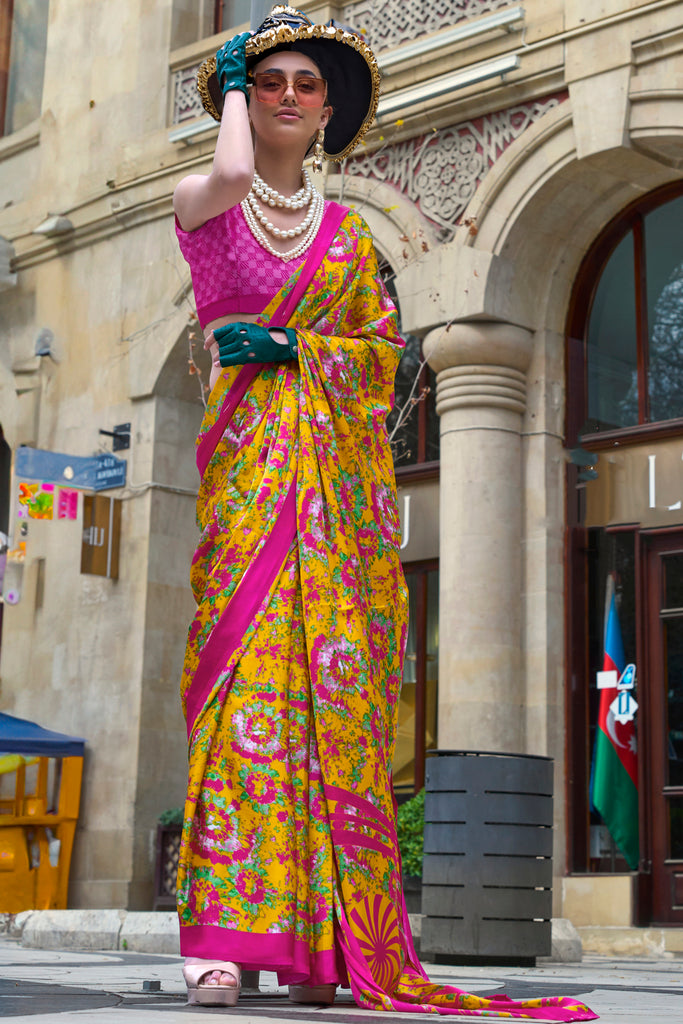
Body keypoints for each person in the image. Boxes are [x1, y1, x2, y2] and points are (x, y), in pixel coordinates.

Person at [173, 7, 597, 1019]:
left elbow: (378, 365)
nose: (285, 96)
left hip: (331, 507)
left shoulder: (352, 240)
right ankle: (221, 945)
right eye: (267, 81)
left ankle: (320, 940)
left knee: (330, 722)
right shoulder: (205, 200)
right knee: (243, 709)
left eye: (303, 85)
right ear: (242, 96)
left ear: (327, 112)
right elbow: (231, 177)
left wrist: (298, 352)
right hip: (250, 492)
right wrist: (227, 79)